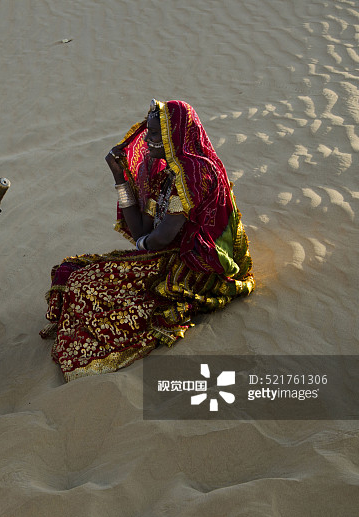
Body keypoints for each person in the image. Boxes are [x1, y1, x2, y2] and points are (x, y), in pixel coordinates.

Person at [41, 100, 255, 382]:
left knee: (86, 285)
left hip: (191, 266)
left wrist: (141, 249)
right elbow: (141, 230)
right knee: (69, 271)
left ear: (173, 134)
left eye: (154, 133)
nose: (147, 139)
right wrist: (119, 178)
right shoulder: (165, 173)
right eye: (148, 132)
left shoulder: (194, 173)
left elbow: (161, 237)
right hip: (160, 254)